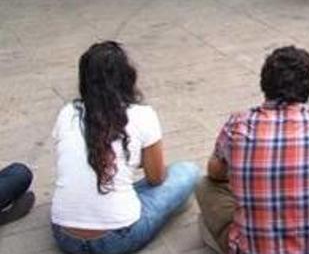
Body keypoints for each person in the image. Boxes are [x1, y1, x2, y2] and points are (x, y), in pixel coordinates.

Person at [197, 46, 309, 254]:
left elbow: (215, 172)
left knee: (205, 186)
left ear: (264, 83)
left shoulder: (237, 125)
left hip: (252, 249)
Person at [51, 41, 200, 254]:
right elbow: (156, 178)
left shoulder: (67, 112)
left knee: (111, 186)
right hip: (117, 238)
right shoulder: (142, 115)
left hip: (64, 234)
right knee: (188, 171)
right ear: (127, 77)